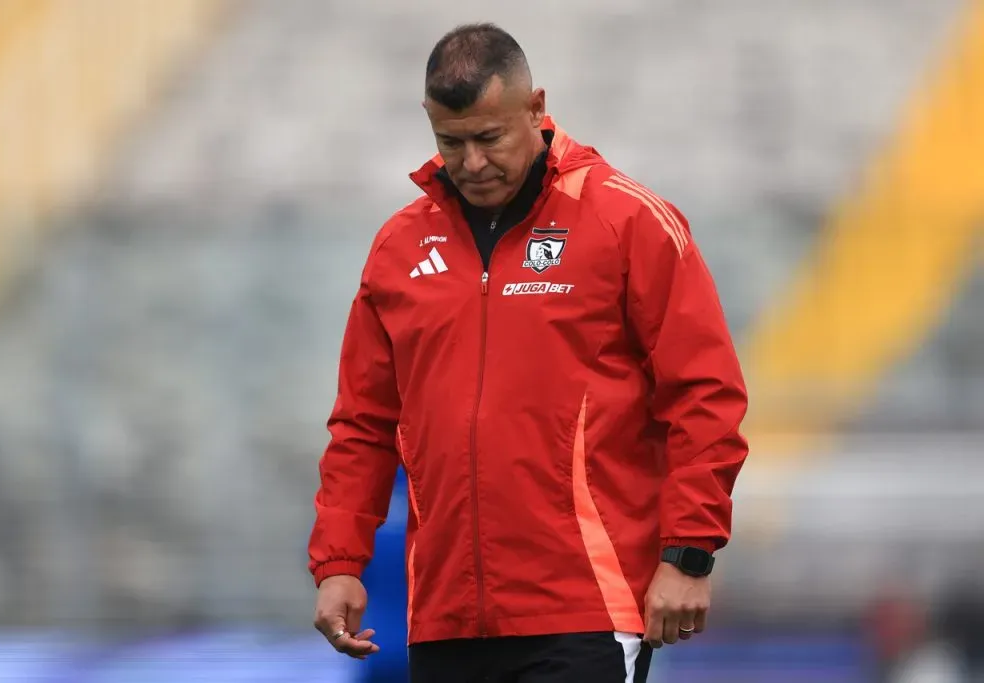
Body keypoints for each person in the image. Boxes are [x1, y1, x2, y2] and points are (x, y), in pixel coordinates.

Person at [308, 23, 749, 683]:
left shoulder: (626, 222)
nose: (472, 163)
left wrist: (687, 555)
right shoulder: (398, 248)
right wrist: (340, 562)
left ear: (536, 109)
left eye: (490, 138)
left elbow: (704, 393)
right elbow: (364, 422)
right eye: (450, 143)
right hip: (445, 617)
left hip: (585, 610)